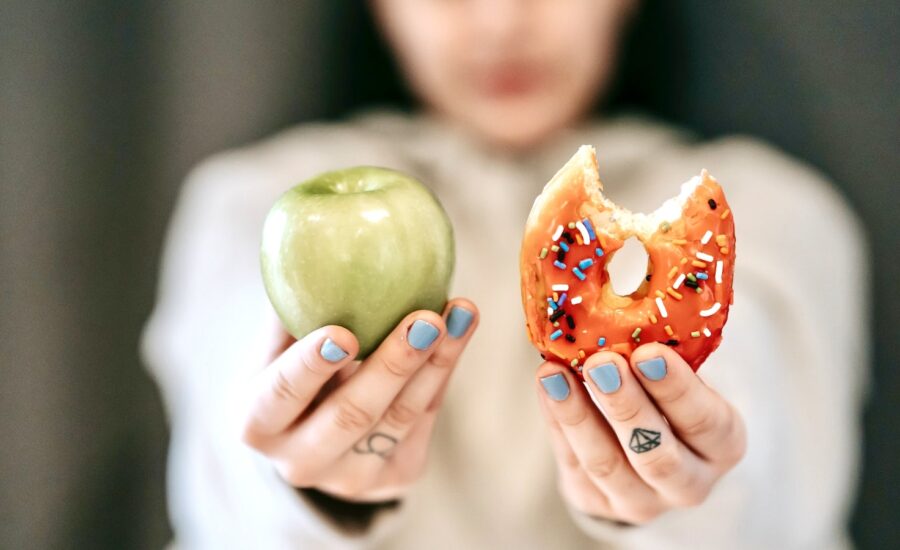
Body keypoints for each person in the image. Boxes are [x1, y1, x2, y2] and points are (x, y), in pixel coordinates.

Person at [142, 1, 869, 548]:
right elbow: (223, 464)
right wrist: (305, 482)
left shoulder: (778, 208)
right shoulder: (246, 201)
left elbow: (770, 437)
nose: (500, 22)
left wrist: (686, 477)